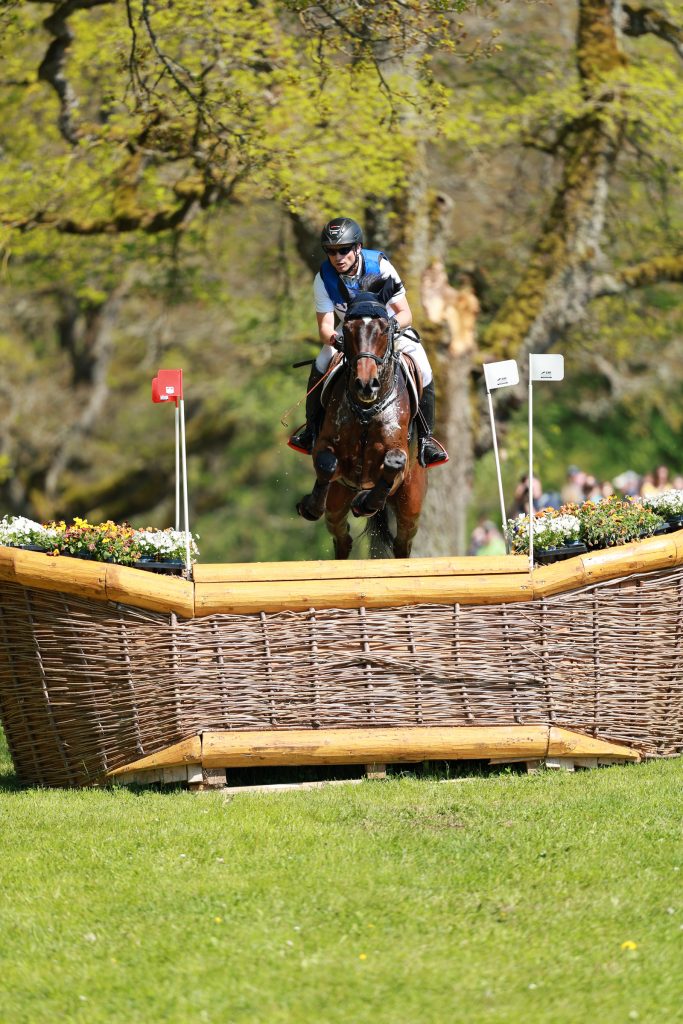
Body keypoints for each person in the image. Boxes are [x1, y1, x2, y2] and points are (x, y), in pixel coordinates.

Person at [288, 216, 447, 468]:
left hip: (388, 327)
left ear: (358, 247)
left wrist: (391, 328)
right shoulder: (324, 278)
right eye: (330, 251)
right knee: (322, 359)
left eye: (343, 249)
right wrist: (334, 339)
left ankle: (426, 440)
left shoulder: (380, 266)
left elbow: (406, 313)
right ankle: (311, 430)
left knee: (424, 366)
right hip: (351, 330)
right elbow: (325, 326)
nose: (337, 257)